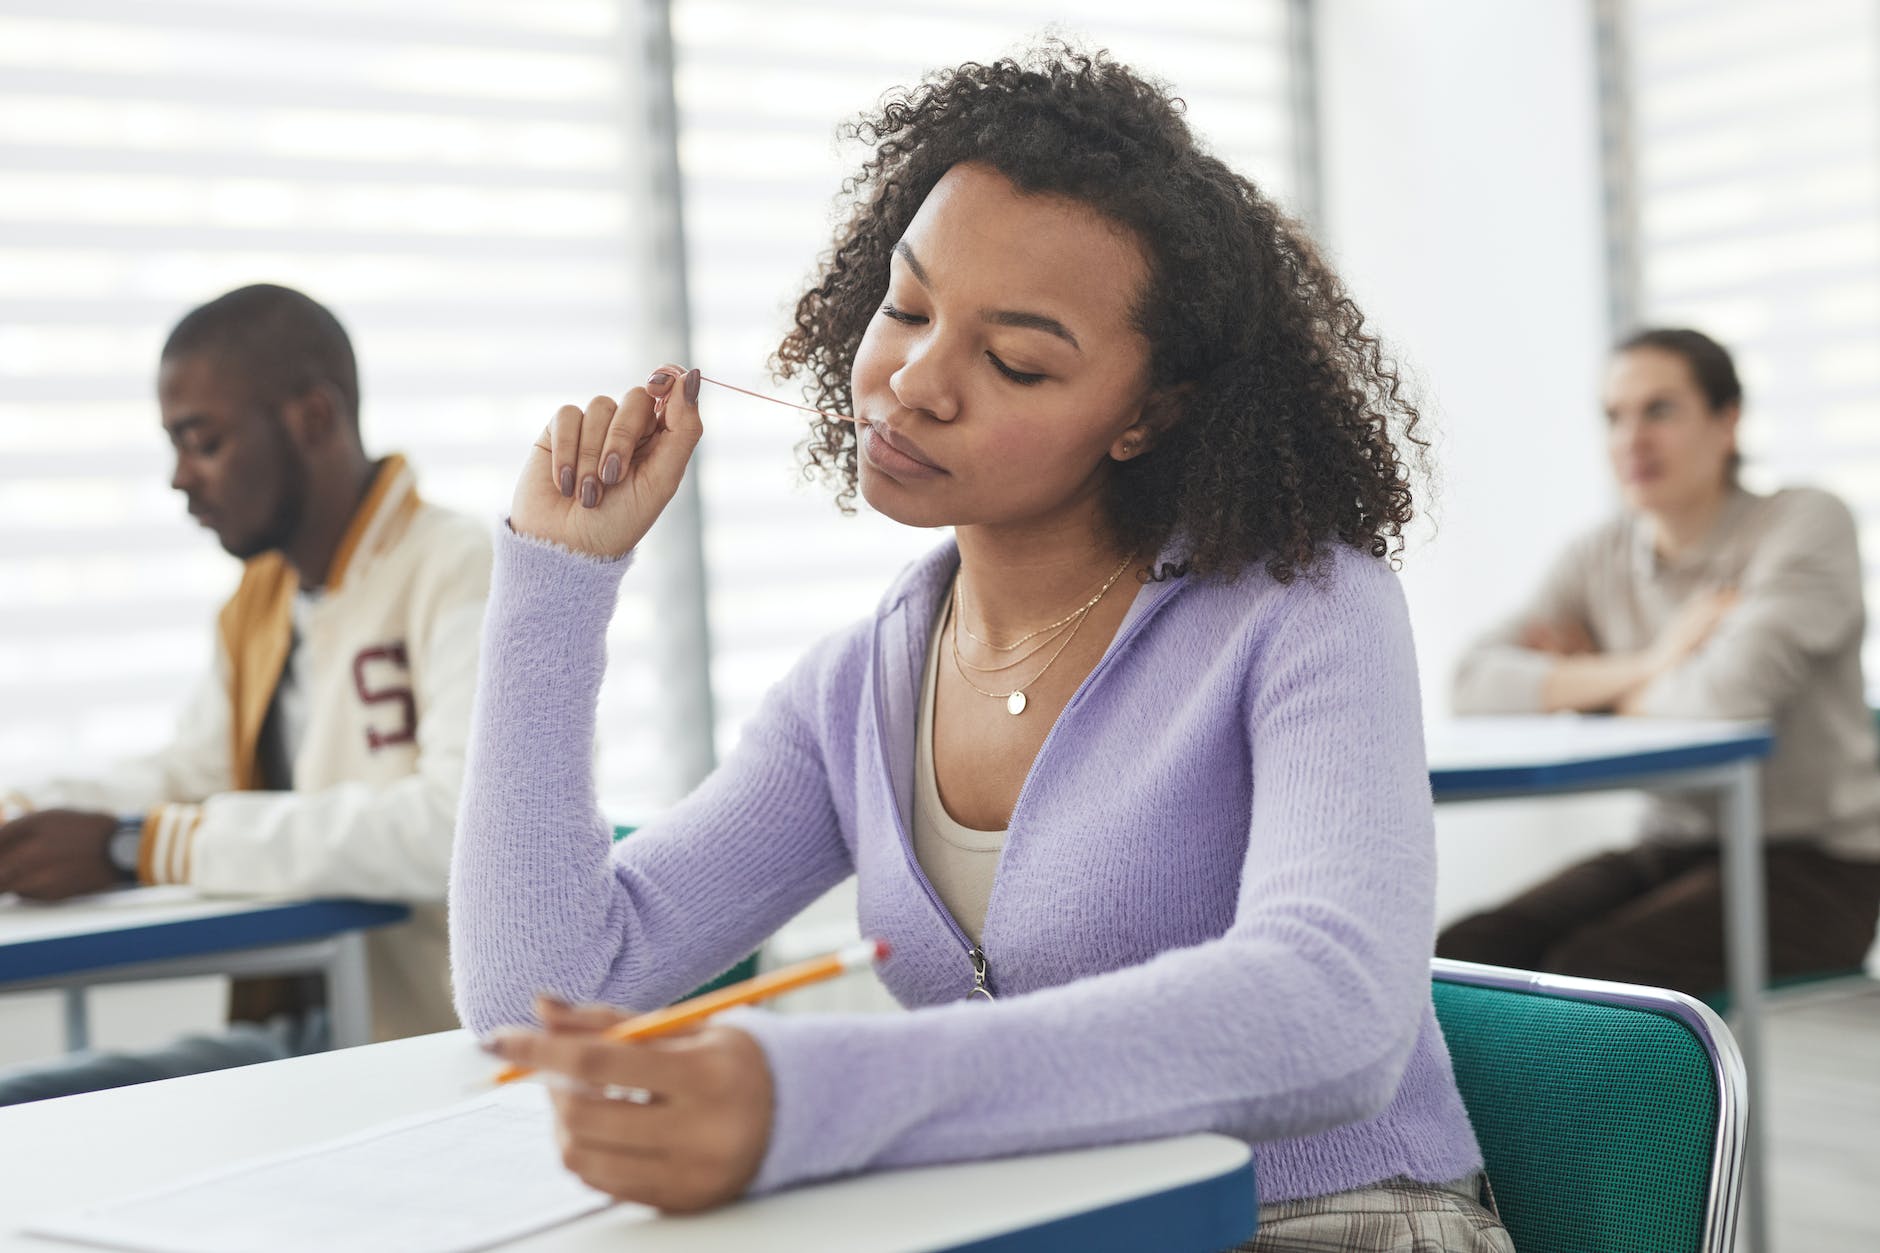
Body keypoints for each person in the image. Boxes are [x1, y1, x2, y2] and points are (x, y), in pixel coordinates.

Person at [453, 49, 1510, 1252]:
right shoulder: (853, 691)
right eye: (905, 308)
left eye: (1013, 360)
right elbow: (539, 994)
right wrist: (556, 580)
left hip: (1330, 1223)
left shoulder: (1302, 606)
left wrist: (816, 1095)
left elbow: (1335, 1012)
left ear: (1146, 412)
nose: (910, 379)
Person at [0, 284, 491, 1101]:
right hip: (316, 1026)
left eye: (204, 441)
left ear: (312, 418)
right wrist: (26, 812)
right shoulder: (260, 603)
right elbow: (190, 772)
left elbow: (460, 826)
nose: (179, 478)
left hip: (431, 1037)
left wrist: (138, 846)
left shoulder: (459, 565)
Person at [1443, 328, 1880, 997]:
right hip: (1671, 847)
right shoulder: (1599, 553)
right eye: (1614, 416)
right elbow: (1472, 682)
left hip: (1819, 864)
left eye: (1660, 410)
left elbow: (1727, 693)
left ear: (1727, 420)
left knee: (1596, 975)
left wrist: (1586, 689)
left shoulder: (1806, 523)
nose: (1631, 439)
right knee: (1467, 954)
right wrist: (1656, 659)